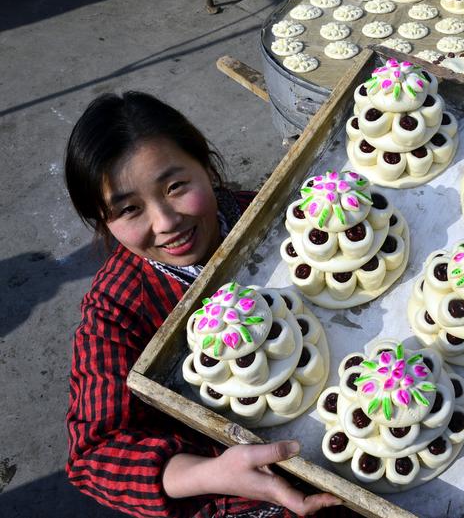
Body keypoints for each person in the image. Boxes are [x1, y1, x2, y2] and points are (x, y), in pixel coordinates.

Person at [64, 91, 345, 518]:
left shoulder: (282, 215)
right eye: (129, 210)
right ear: (103, 222)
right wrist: (211, 474)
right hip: (239, 496)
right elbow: (95, 455)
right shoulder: (116, 309)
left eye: (175, 186)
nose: (165, 222)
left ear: (206, 166)